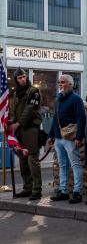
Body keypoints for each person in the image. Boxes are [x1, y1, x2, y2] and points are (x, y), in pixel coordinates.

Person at [48, 74, 85, 203]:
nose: (60, 84)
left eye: (63, 82)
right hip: (58, 138)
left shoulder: (76, 99)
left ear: (70, 84)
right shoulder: (58, 99)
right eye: (59, 82)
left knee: (75, 164)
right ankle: (63, 191)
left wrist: (79, 137)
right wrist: (51, 135)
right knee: (63, 165)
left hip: (70, 138)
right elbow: (55, 118)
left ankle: (77, 192)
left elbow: (81, 119)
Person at [9, 68, 42, 200]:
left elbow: (30, 109)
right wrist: (10, 122)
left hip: (31, 129)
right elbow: (14, 111)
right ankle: (27, 188)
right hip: (20, 130)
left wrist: (18, 123)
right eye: (20, 78)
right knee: (22, 160)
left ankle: (37, 189)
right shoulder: (16, 93)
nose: (23, 79)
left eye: (24, 77)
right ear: (16, 80)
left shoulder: (34, 91)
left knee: (32, 159)